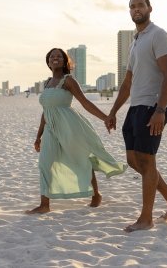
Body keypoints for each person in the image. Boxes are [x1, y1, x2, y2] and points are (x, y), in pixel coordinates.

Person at [105, 0, 167, 232]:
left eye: (140, 5)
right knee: (134, 161)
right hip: (135, 108)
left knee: (147, 162)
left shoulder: (158, 35)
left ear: (150, 8)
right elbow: (127, 82)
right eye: (131, 6)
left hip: (153, 107)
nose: (136, 9)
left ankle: (146, 218)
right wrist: (112, 111)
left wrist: (160, 109)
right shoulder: (135, 41)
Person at [26, 48, 127, 214]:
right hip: (51, 129)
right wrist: (38, 136)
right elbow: (46, 111)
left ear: (65, 61)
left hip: (69, 127)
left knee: (81, 159)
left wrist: (106, 118)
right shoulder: (47, 83)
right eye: (52, 56)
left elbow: (85, 103)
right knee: (44, 163)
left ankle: (96, 195)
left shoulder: (68, 81)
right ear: (48, 62)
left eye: (59, 56)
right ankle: (44, 205)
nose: (55, 58)